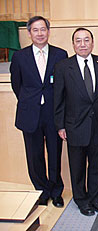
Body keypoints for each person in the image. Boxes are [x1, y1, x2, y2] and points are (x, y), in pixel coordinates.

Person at [10, 16, 67, 207]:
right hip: (30, 113)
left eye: (43, 29)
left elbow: (63, 86)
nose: (40, 33)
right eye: (36, 30)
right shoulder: (19, 57)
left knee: (54, 153)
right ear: (29, 33)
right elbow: (17, 85)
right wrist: (31, 101)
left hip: (53, 113)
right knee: (34, 156)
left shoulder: (60, 54)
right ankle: (41, 191)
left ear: (48, 31)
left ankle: (56, 191)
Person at [54, 28, 98, 216]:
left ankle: (95, 199)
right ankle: (82, 200)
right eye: (78, 41)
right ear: (73, 44)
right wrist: (60, 125)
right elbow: (58, 99)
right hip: (74, 126)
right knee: (77, 167)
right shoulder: (63, 67)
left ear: (92, 43)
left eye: (86, 40)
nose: (83, 44)